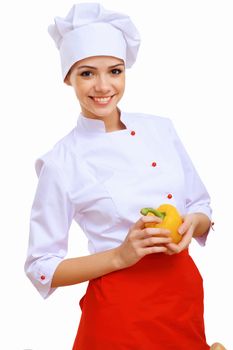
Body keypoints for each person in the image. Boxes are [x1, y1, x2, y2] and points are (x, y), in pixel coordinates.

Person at [24, 3, 226, 350]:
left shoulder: (162, 129)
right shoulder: (61, 162)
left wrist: (193, 222)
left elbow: (201, 205)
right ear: (67, 77)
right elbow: (42, 267)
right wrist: (121, 256)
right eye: (87, 73)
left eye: (114, 71)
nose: (103, 86)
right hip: (120, 311)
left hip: (183, 299)